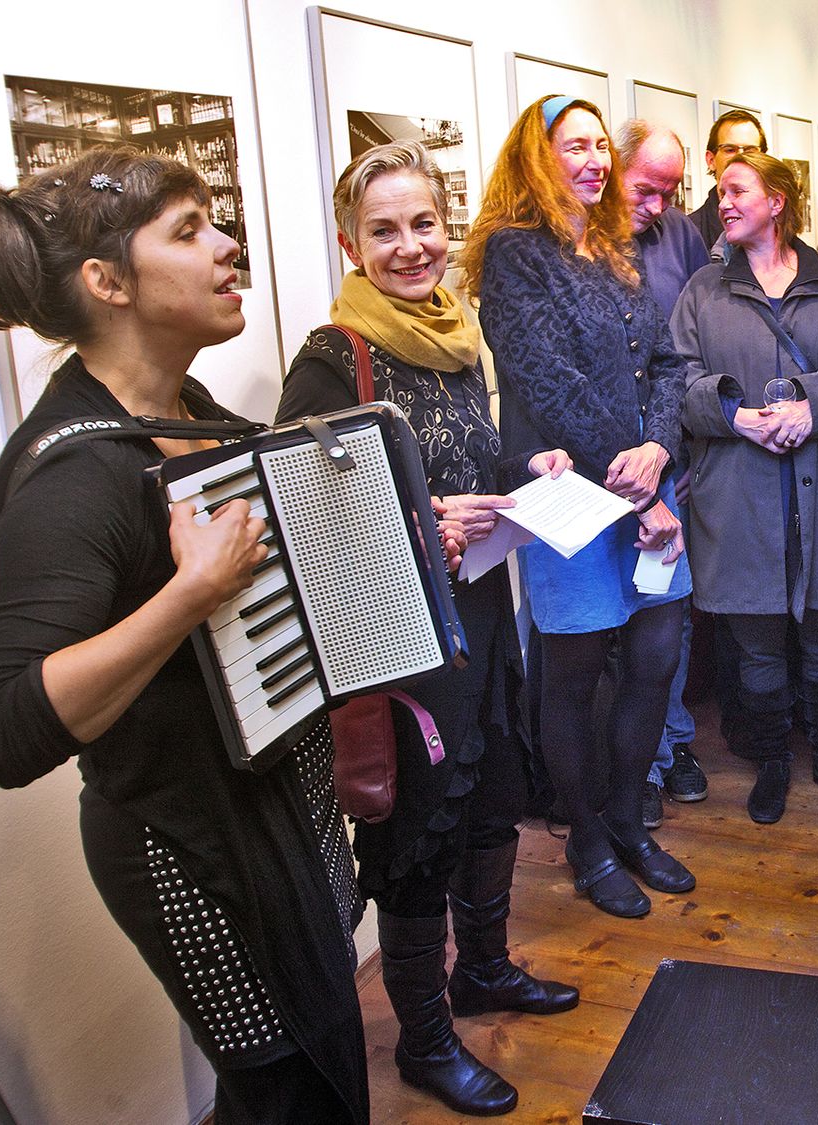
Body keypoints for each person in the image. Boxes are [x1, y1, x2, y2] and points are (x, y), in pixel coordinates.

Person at [0, 147, 369, 1122]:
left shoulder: (199, 416)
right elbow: (6, 732)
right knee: (281, 1095)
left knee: (313, 1083)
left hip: (276, 812)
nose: (228, 247)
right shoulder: (70, 478)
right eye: (189, 230)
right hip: (187, 847)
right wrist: (188, 595)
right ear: (107, 282)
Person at [275, 140, 582, 1116]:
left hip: (482, 614)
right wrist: (421, 525)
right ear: (348, 243)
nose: (409, 248)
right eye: (383, 231)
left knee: (492, 792)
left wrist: (522, 478)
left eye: (422, 225)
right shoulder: (336, 359)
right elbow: (305, 520)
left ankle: (483, 970)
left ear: (446, 230)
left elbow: (466, 461)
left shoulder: (462, 337)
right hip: (402, 644)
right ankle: (421, 1041)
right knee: (420, 828)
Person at [462, 95, 694, 919]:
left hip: (646, 486)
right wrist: (636, 491)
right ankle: (588, 840)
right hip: (572, 497)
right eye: (576, 146)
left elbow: (667, 363)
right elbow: (547, 383)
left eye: (602, 145)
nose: (595, 160)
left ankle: (628, 821)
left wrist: (660, 451)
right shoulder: (513, 254)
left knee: (656, 659)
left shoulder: (613, 245)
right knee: (571, 678)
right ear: (538, 154)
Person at [672, 152, 818, 825]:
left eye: (736, 191)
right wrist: (734, 414)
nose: (722, 202)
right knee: (755, 642)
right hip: (739, 489)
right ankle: (773, 764)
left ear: (778, 201)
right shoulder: (703, 290)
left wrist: (811, 407)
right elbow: (679, 378)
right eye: (719, 192)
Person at [617, 117, 713, 819]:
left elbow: (679, 351)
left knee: (667, 609)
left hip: (665, 449)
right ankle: (634, 765)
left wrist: (663, 445)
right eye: (646, 190)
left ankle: (672, 740)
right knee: (607, 622)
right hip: (595, 462)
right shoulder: (567, 246)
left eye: (671, 192)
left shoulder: (679, 232)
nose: (658, 207)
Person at [691, 109, 767, 247]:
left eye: (750, 150)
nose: (741, 157)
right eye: (730, 150)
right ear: (711, 160)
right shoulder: (691, 233)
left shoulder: (776, 224)